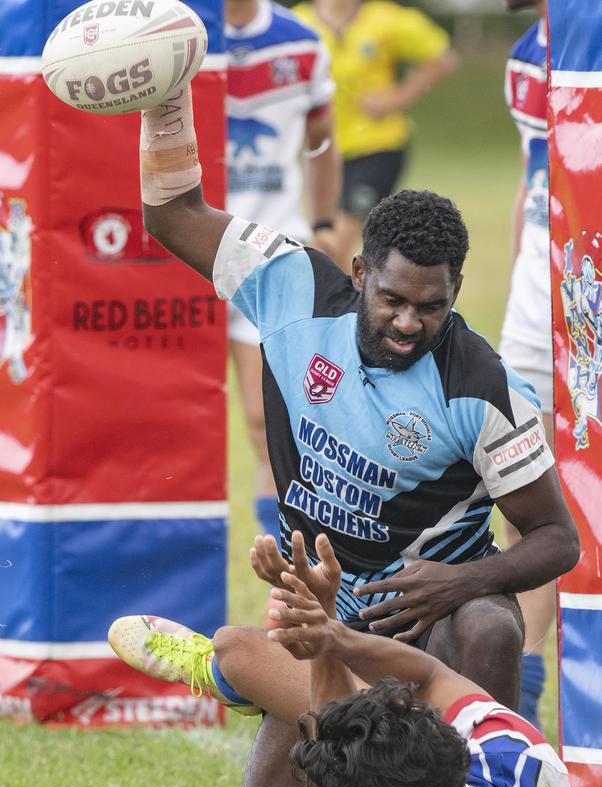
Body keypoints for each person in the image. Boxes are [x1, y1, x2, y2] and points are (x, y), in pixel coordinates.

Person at [137, 79, 579, 787]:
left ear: (455, 294)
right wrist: (164, 100)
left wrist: (462, 579)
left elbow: (557, 539)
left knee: (490, 627)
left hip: (434, 628)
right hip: (324, 620)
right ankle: (251, 676)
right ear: (358, 270)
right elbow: (173, 213)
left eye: (431, 307)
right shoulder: (292, 285)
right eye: (393, 299)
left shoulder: (480, 386)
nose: (410, 323)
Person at [108, 532, 581, 787]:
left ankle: (224, 673)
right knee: (268, 674)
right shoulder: (523, 771)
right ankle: (241, 673)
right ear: (456, 750)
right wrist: (328, 634)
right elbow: (434, 673)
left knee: (238, 649)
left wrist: (327, 625)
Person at [225, 0, 341, 544]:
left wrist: (322, 223)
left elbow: (322, 141)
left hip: (266, 257)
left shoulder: (301, 42)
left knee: (265, 420)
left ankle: (282, 577)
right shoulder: (171, 32)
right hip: (180, 254)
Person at [293, 0, 458, 271]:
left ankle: (343, 308)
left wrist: (396, 98)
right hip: (325, 152)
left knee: (341, 236)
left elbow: (442, 58)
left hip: (378, 147)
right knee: (326, 238)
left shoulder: (387, 19)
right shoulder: (298, 23)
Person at [498, 0, 552, 731]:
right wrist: (519, 287)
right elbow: (530, 179)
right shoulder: (522, 54)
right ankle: (526, 717)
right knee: (529, 511)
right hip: (537, 309)